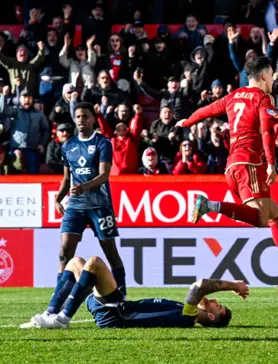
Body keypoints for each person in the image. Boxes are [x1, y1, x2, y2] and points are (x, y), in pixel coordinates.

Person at [177, 56, 278, 288]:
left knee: (275, 217)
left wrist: (186, 122)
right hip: (250, 164)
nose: (274, 79)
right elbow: (267, 133)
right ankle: (209, 205)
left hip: (233, 166)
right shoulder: (262, 98)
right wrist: (270, 163)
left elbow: (206, 110)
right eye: (273, 74)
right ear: (265, 75)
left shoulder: (233, 96)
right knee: (260, 218)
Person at [21, 102, 127, 327]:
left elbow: (104, 175)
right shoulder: (68, 145)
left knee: (110, 252)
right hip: (75, 205)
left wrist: (85, 187)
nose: (80, 120)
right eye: (78, 116)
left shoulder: (102, 143)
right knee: (64, 251)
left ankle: (122, 297)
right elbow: (67, 178)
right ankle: (53, 308)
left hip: (100, 205)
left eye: (85, 116)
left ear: (92, 119)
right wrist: (57, 198)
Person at [21, 256, 248, 329]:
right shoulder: (188, 312)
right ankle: (49, 313)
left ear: (209, 316)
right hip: (115, 308)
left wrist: (235, 286)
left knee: (94, 263)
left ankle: (63, 318)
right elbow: (203, 291)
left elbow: (199, 286)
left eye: (217, 306)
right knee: (75, 262)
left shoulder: (188, 317)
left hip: (116, 314)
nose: (216, 301)